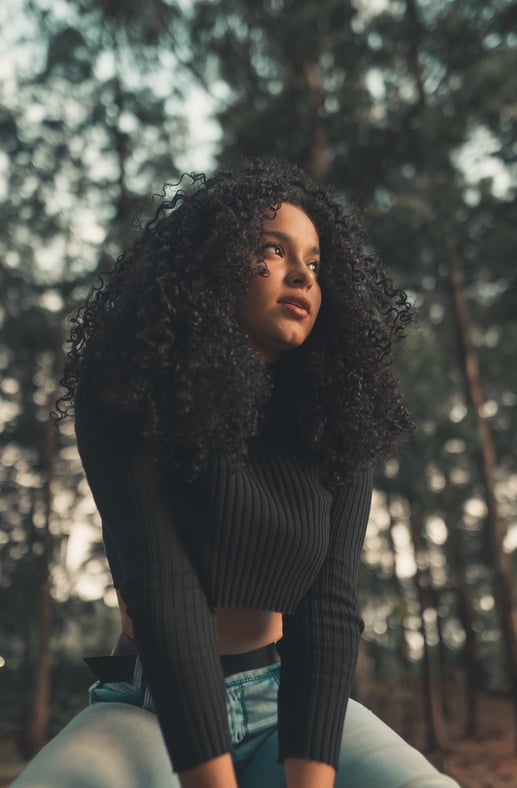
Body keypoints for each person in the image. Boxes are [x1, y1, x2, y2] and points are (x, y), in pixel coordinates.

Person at [14, 159, 460, 787]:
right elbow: (164, 589)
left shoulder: (339, 418)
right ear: (213, 262)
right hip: (149, 706)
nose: (300, 272)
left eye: (313, 261)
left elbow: (329, 610)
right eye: (272, 250)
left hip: (285, 704)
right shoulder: (127, 390)